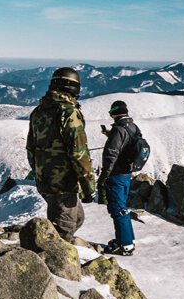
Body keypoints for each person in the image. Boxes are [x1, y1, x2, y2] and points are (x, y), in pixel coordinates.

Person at [26, 67, 96, 243]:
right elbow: (78, 154)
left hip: (45, 179)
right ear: (72, 87)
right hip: (63, 181)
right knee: (63, 229)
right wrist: (89, 187)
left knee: (76, 218)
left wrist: (39, 171)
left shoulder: (39, 111)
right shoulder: (68, 113)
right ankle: (50, 262)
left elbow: (30, 147)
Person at [98, 100, 139, 256]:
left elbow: (111, 153)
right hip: (127, 173)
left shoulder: (118, 130)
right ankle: (128, 239)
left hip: (116, 174)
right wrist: (109, 134)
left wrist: (104, 173)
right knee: (122, 207)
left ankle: (125, 245)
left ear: (113, 113)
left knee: (117, 209)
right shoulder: (132, 127)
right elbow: (126, 143)